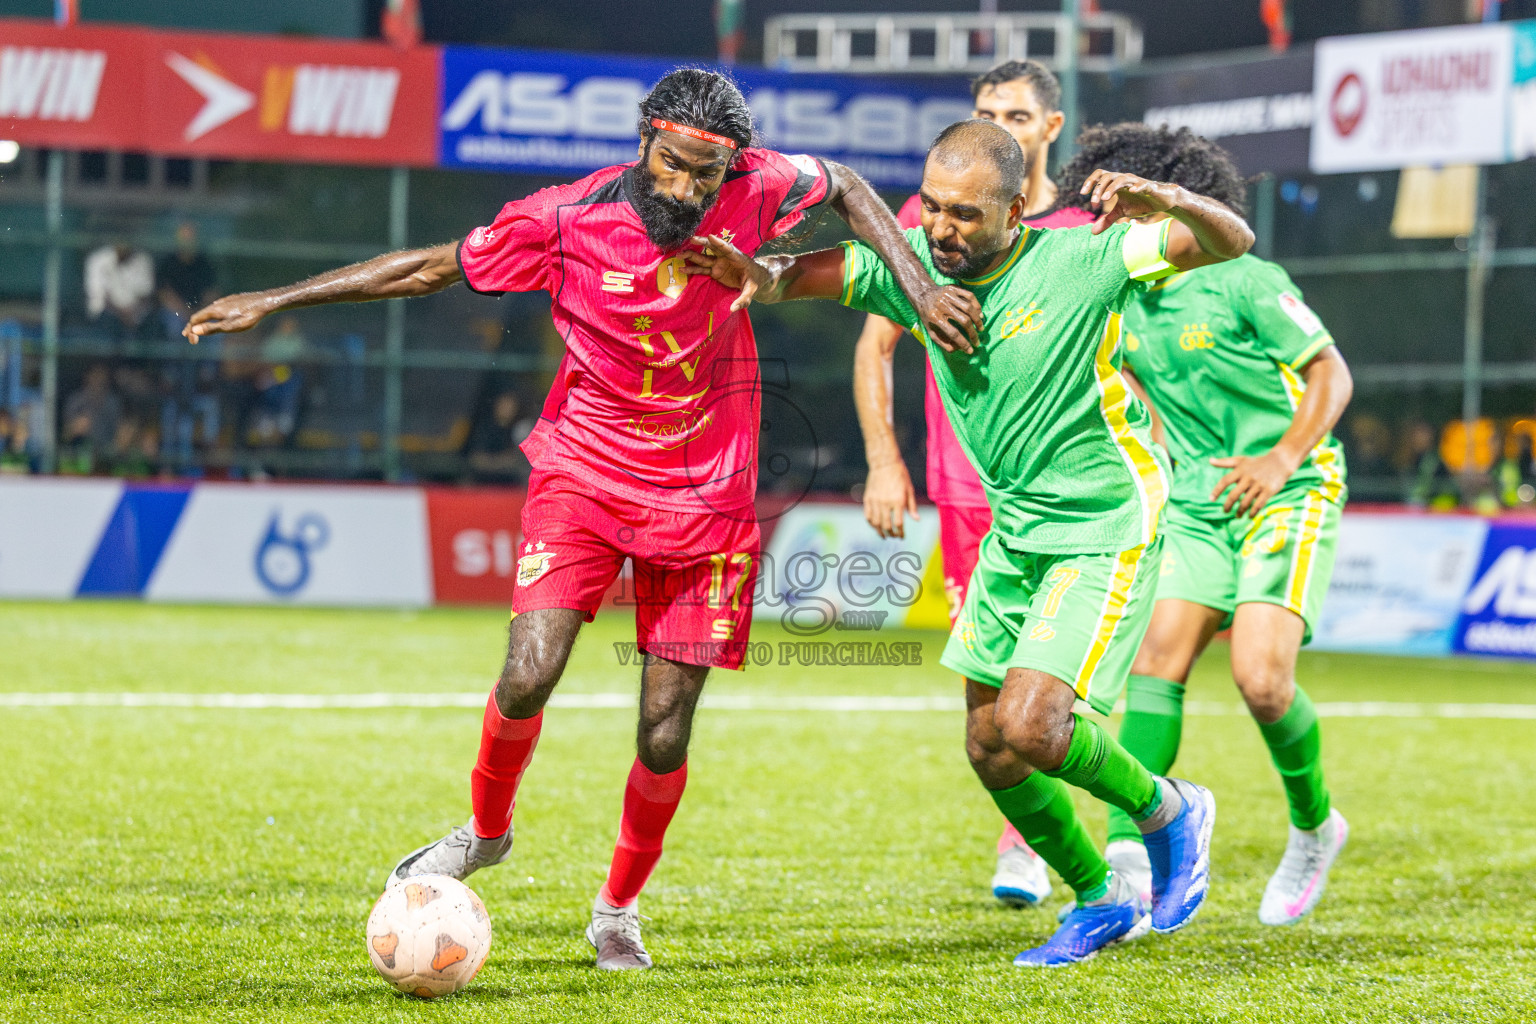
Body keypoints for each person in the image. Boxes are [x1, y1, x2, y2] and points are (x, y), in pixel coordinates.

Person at [182, 68, 980, 971]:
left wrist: (916, 286)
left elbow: (843, 183)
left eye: (704, 178)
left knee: (665, 728)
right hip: (586, 472)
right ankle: (486, 833)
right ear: (645, 138)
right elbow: (428, 267)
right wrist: (278, 300)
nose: (687, 190)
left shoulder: (757, 185)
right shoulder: (564, 217)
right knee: (530, 671)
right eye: (674, 165)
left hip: (709, 495)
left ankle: (617, 910)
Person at [686, 118, 1254, 965]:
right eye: (935, 209)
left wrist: (1168, 199)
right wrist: (752, 272)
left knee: (1031, 724)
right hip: (1016, 529)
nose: (942, 232)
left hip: (1103, 523)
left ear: (1017, 209)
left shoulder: (1085, 259)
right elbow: (795, 278)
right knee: (988, 745)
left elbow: (1230, 242)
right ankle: (1100, 898)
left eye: (965, 216)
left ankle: (1170, 809)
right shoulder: (908, 269)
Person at [1049, 122, 1354, 926]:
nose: (1098, 218)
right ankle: (1128, 858)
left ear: (1150, 195)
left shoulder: (1243, 277)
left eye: (1111, 200)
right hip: (1196, 502)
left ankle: (1315, 826)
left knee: (1260, 677)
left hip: (1289, 488)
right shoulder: (1122, 289)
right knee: (1157, 657)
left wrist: (1282, 460)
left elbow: (1331, 371)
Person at [854, 59, 1097, 910]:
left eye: (1019, 114)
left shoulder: (1084, 230)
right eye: (989, 110)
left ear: (1050, 129)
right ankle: (1037, 837)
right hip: (968, 493)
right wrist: (885, 459)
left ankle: (1118, 836)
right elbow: (877, 339)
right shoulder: (936, 224)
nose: (1005, 123)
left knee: (1069, 682)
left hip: (1076, 495)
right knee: (993, 704)